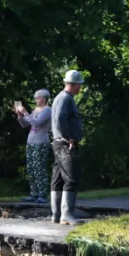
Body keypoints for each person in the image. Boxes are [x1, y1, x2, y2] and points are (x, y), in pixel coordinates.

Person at [50, 70, 85, 224]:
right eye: (80, 85)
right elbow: (60, 119)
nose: (80, 88)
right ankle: (67, 214)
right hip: (65, 144)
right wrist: (68, 137)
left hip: (58, 143)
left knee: (58, 178)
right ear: (74, 84)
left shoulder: (60, 98)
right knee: (71, 177)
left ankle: (56, 215)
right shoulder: (66, 98)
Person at [12, 89, 52, 203]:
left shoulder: (47, 110)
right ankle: (34, 194)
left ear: (43, 99)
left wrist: (25, 112)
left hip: (40, 142)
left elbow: (36, 123)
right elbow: (25, 124)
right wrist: (20, 116)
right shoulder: (36, 110)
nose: (35, 100)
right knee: (31, 169)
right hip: (30, 142)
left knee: (39, 168)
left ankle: (42, 195)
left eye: (37, 98)